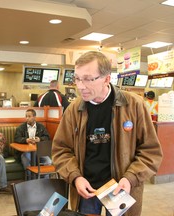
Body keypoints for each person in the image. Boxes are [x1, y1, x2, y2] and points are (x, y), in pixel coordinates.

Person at [52, 51, 163, 216]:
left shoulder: (134, 105)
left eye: (88, 79)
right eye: (77, 78)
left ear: (107, 79)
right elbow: (61, 150)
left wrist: (130, 178)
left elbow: (150, 152)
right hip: (86, 190)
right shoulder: (73, 110)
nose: (80, 86)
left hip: (121, 190)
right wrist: (75, 177)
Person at [14, 109, 50, 179]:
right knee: (27, 160)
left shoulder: (41, 127)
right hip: (25, 152)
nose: (27, 118)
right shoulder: (20, 128)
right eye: (26, 116)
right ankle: (30, 181)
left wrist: (39, 139)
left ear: (34, 117)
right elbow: (16, 139)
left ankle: (45, 182)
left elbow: (47, 137)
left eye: (29, 116)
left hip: (39, 152)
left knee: (48, 161)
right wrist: (26, 140)